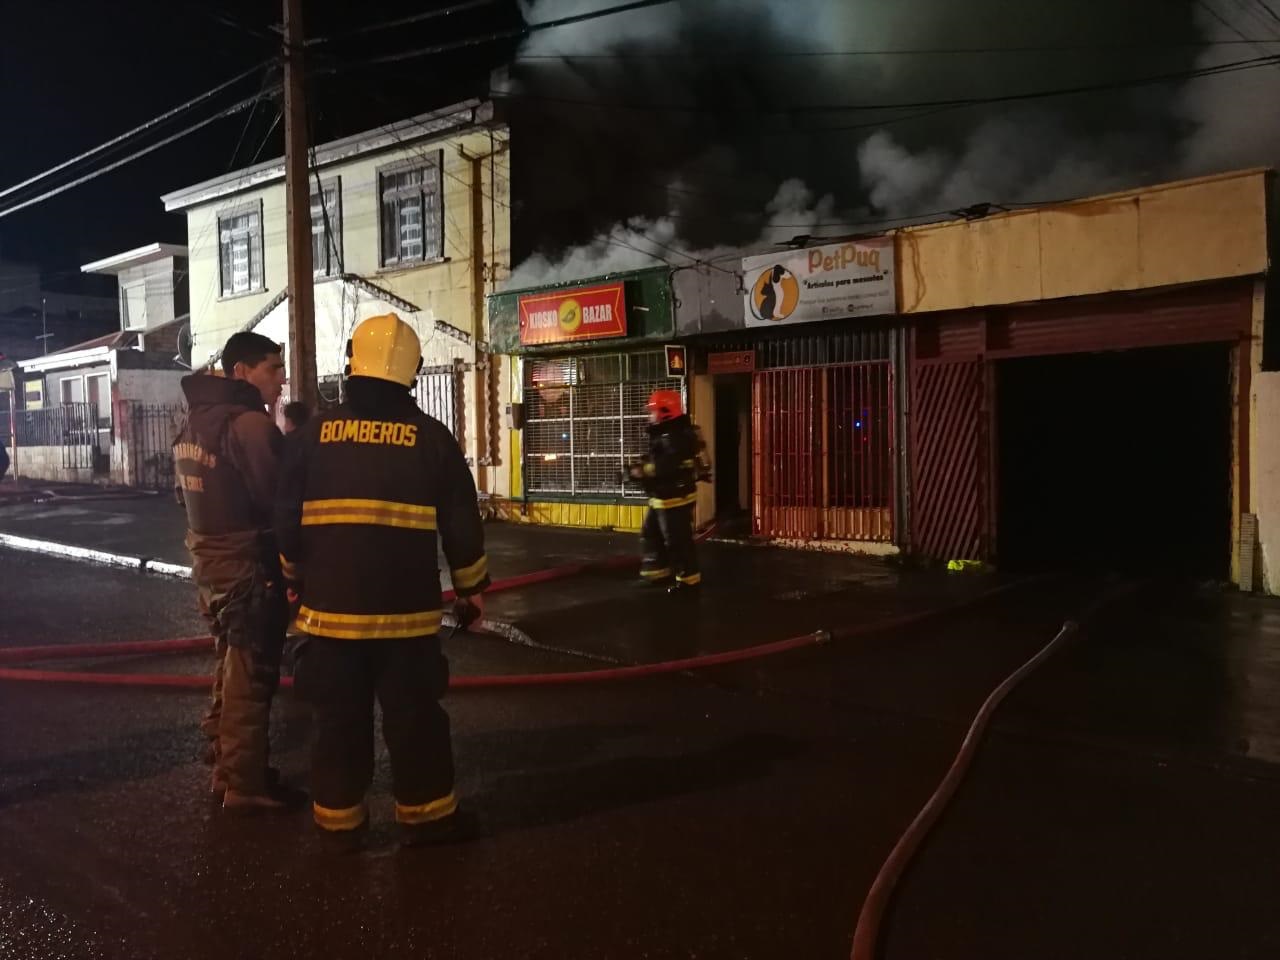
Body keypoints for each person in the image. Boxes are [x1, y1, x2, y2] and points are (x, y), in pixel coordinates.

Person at [275, 313, 489, 845]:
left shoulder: (311, 436)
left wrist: (293, 576)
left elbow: (286, 520)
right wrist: (472, 592)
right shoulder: (433, 439)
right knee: (415, 721)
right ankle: (428, 818)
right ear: (412, 370)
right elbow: (462, 522)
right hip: (407, 622)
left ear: (353, 363)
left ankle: (339, 825)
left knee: (338, 723)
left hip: (329, 619)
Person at [173, 332, 297, 812]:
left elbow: (183, 498)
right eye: (273, 368)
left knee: (230, 661)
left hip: (209, 565)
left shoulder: (192, 425)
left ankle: (225, 760)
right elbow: (280, 506)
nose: (281, 381)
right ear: (242, 372)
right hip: (248, 567)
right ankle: (244, 783)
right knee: (252, 672)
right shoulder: (248, 427)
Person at [628, 389, 710, 594]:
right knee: (651, 534)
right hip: (662, 496)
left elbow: (667, 464)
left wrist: (642, 471)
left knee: (678, 541)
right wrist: (639, 467)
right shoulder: (666, 432)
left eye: (653, 411)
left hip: (675, 498)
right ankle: (657, 573)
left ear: (666, 411)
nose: (650, 415)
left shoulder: (675, 435)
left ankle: (688, 581)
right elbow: (659, 459)